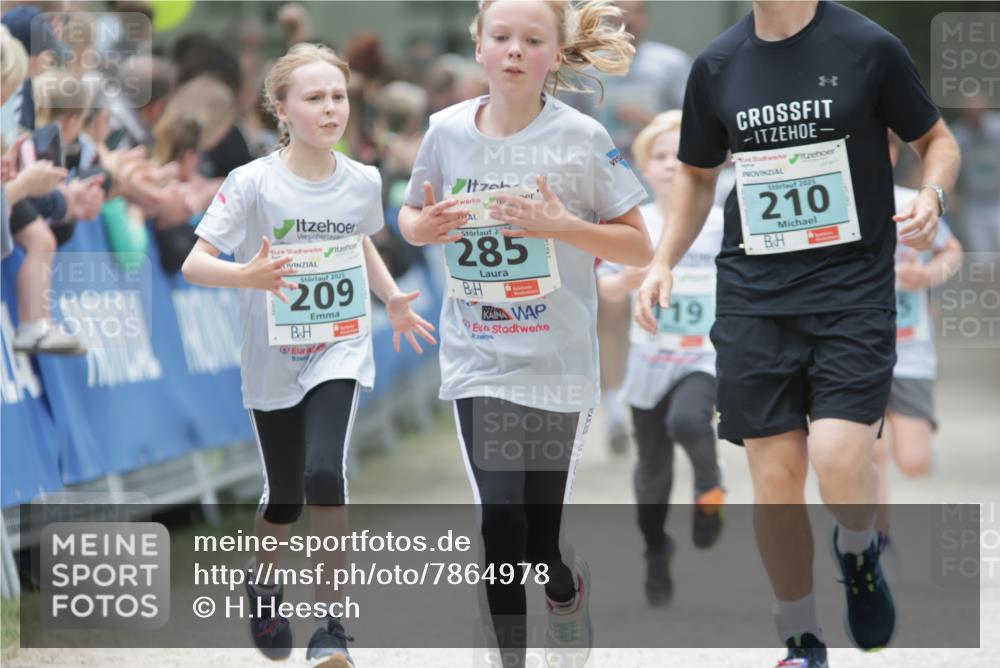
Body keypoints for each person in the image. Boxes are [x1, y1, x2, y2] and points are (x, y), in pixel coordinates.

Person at [635, 2, 961, 666]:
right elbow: (698, 175)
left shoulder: (866, 46)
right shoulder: (720, 63)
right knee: (776, 475)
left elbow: (937, 141)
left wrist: (931, 198)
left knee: (842, 459)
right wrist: (662, 260)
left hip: (852, 292)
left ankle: (858, 551)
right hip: (755, 297)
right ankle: (801, 639)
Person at [398, 1, 652, 666]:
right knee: (498, 518)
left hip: (557, 360)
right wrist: (421, 227)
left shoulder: (583, 138)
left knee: (540, 540)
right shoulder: (445, 132)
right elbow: (410, 212)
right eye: (500, 37)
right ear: (478, 46)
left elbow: (637, 248)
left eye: (531, 40)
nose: (514, 50)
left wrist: (560, 226)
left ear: (557, 56)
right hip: (479, 356)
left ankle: (566, 592)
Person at [182, 42, 437, 668]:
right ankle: (263, 583)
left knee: (326, 474)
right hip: (272, 355)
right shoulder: (252, 182)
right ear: (282, 108)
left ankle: (333, 627)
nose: (331, 110)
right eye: (315, 98)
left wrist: (391, 302)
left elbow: (358, 243)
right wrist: (252, 276)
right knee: (286, 498)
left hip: (340, 345)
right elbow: (194, 264)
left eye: (339, 97)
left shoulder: (362, 179)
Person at [597, 110, 725, 607]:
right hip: (649, 360)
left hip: (704, 356)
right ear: (644, 168)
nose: (673, 165)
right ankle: (656, 548)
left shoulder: (720, 222)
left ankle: (710, 489)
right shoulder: (634, 225)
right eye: (661, 156)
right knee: (651, 472)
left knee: (690, 423)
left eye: (682, 154)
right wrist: (629, 280)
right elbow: (606, 289)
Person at [874, 133, 964, 547]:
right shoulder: (833, 206)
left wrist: (927, 276)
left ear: (892, 154)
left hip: (910, 350)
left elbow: (953, 251)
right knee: (868, 452)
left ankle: (917, 439)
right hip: (856, 349)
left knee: (913, 463)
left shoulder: (913, 202)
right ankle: (879, 538)